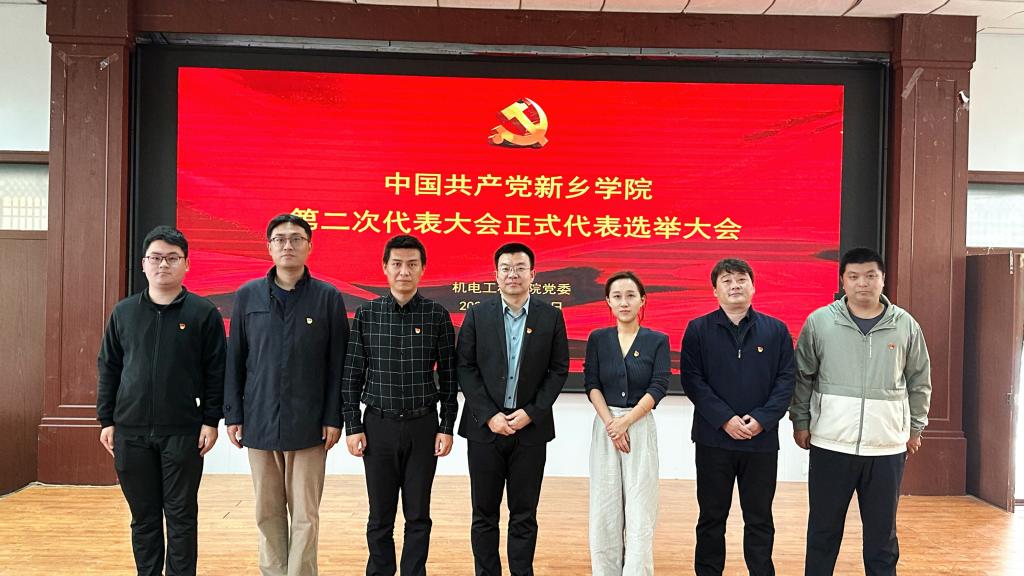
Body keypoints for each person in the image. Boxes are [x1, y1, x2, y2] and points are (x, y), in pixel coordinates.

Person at [789, 247, 931, 576]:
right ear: (843, 281)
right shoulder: (820, 322)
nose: (862, 283)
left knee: (882, 537)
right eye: (853, 277)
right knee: (823, 532)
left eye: (870, 276)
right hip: (831, 444)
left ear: (883, 279)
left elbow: (919, 381)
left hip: (886, 448)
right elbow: (803, 376)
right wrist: (800, 421)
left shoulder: (905, 325)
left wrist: (915, 428)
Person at [224, 213, 349, 576]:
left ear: (309, 246)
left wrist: (334, 417)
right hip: (259, 419)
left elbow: (337, 365)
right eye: (279, 239)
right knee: (267, 511)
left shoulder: (327, 297)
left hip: (310, 423)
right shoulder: (247, 295)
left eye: (296, 239)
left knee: (306, 514)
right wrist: (234, 414)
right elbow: (235, 359)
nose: (288, 245)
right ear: (269, 247)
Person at [96, 225, 226, 576]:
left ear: (186, 264)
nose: (163, 265)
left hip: (183, 431)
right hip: (130, 431)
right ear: (144, 264)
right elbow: (109, 366)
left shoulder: (203, 313)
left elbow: (216, 371)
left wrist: (211, 420)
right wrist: (106, 420)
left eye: (172, 258)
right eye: (155, 258)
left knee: (181, 516)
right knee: (144, 517)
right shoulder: (124, 312)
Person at [342, 235, 458, 576]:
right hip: (378, 425)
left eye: (411, 264)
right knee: (380, 515)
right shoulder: (367, 314)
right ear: (385, 268)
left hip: (423, 427)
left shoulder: (437, 315)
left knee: (418, 514)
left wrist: (446, 426)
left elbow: (449, 378)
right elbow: (352, 374)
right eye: (397, 264)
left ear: (422, 269)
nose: (404, 271)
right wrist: (353, 425)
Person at [456, 242, 570, 576]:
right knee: (484, 514)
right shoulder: (478, 314)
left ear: (533, 274)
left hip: (530, 430)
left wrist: (531, 412)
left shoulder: (550, 316)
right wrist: (489, 415)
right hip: (485, 429)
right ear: (496, 275)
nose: (513, 274)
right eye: (506, 268)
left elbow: (558, 370)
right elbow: (465, 367)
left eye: (520, 268)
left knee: (524, 515)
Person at [681, 258, 796, 576]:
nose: (735, 286)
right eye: (727, 280)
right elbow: (693, 380)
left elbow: (786, 380)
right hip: (713, 440)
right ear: (715, 290)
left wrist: (761, 420)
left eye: (741, 279)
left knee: (759, 518)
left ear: (753, 286)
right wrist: (725, 420)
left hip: (761, 442)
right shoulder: (698, 329)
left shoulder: (776, 331)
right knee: (711, 517)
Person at [584, 271, 670, 576]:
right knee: (604, 508)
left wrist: (626, 422)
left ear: (642, 300)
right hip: (606, 427)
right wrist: (612, 424)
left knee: (640, 506)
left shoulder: (657, 340)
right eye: (617, 296)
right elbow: (591, 384)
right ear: (608, 301)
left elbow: (659, 385)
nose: (624, 302)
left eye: (631, 295)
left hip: (639, 425)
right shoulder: (598, 339)